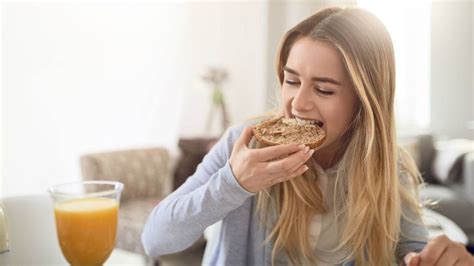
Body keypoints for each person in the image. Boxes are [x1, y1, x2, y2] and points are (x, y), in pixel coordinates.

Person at [142, 7, 474, 266]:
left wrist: (428, 257)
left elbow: (410, 247)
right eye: (291, 80)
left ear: (364, 101)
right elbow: (155, 239)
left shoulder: (386, 163)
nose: (298, 104)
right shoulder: (245, 146)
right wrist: (234, 183)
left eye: (324, 89)